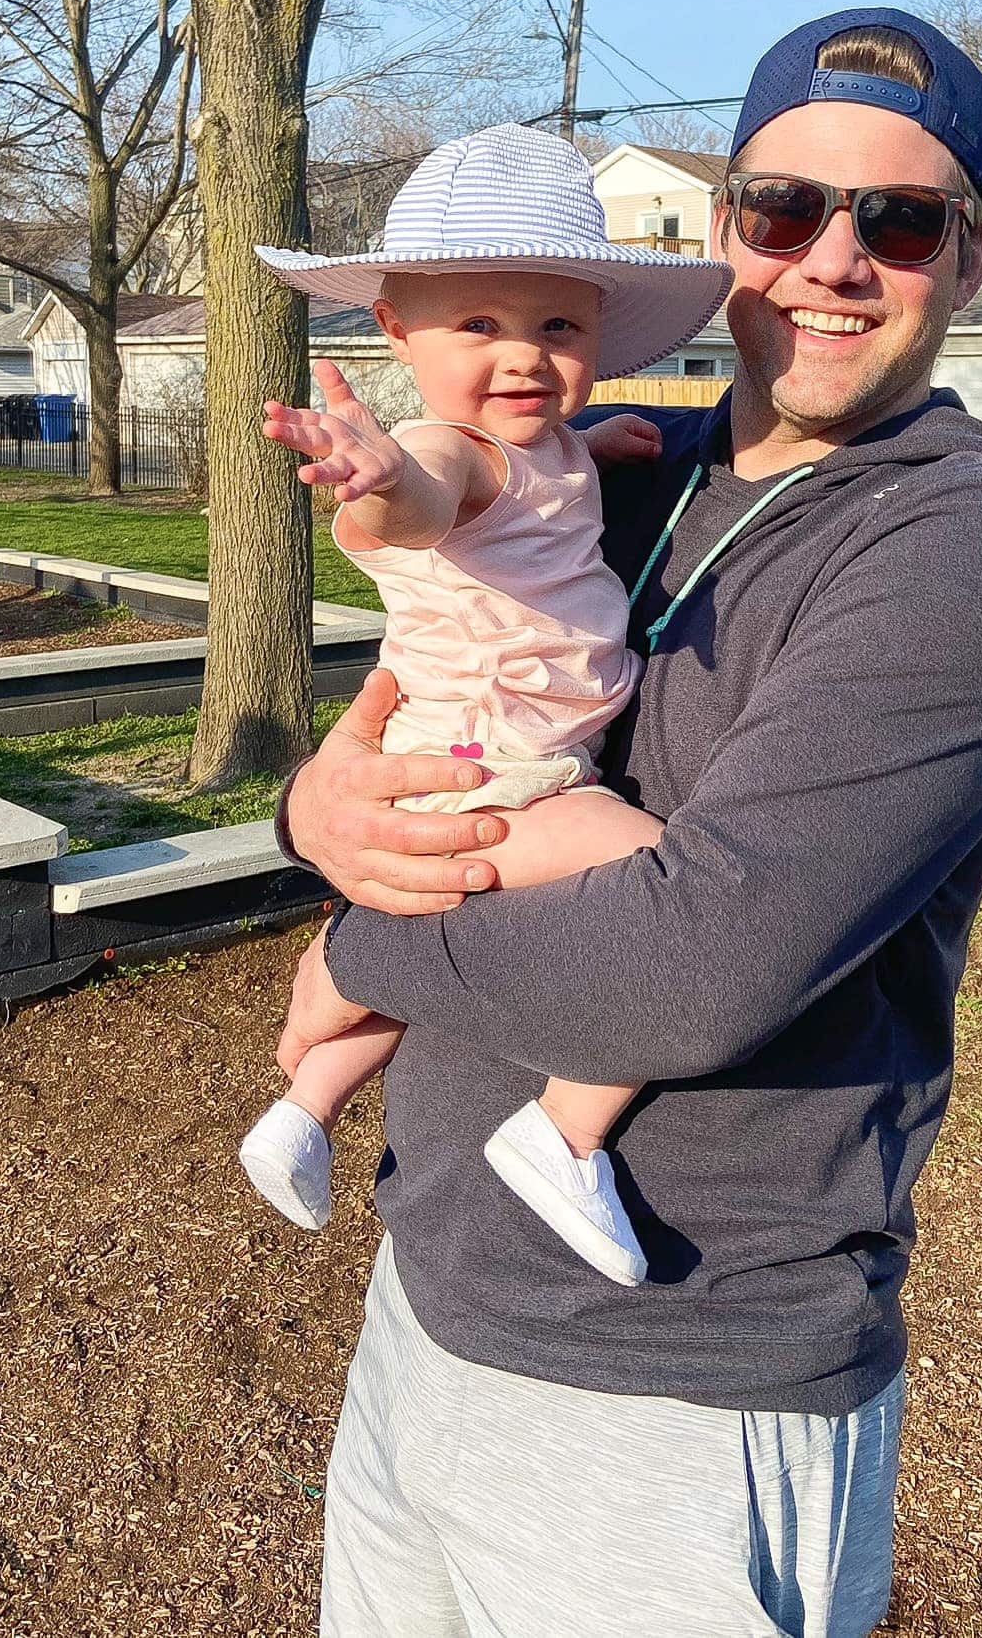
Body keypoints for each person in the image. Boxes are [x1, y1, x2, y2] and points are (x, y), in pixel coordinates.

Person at [271, 9, 982, 1638]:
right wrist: (315, 805)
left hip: (676, 1387)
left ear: (972, 258)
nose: (833, 261)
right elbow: (435, 641)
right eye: (786, 208)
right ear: (726, 235)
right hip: (429, 1280)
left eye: (900, 221)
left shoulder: (958, 549)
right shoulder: (608, 466)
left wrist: (359, 926)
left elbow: (688, 970)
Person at [241, 124, 731, 1287]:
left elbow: (536, 484)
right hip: (497, 758)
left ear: (596, 335)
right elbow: (426, 499)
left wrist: (595, 443)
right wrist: (377, 479)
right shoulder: (441, 448)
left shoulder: (548, 446)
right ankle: (562, 1134)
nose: (522, 357)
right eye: (479, 325)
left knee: (420, 930)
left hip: (475, 743)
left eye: (556, 327)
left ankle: (301, 1112)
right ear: (395, 331)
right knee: (665, 898)